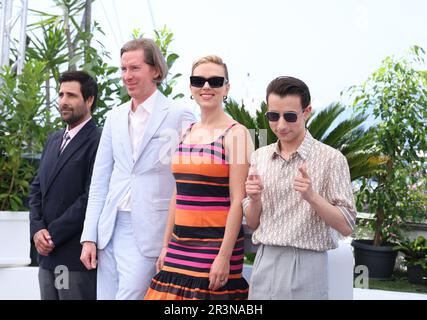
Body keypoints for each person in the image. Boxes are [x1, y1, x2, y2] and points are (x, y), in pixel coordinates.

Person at [79, 38, 196, 300]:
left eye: (134, 68)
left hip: (150, 230)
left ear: (155, 70)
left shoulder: (180, 114)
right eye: (123, 69)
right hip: (109, 229)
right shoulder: (114, 116)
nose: (127, 76)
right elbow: (100, 180)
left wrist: (174, 239)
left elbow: (187, 179)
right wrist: (90, 237)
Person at [144, 55, 251, 300]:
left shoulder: (236, 134)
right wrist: (165, 245)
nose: (206, 86)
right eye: (198, 80)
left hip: (214, 250)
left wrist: (223, 257)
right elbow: (177, 194)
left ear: (226, 88)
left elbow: (238, 201)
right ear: (191, 87)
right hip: (178, 248)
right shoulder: (187, 131)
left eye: (214, 81)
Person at [243, 76, 357, 300]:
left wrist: (312, 196)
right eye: (273, 116)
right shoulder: (260, 157)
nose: (281, 125)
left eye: (290, 116)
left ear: (307, 112)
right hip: (264, 259)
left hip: (307, 263)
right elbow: (253, 222)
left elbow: (347, 225)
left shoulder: (331, 159)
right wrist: (254, 200)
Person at [29, 71, 101, 300]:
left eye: (71, 95)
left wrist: (52, 234)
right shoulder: (53, 139)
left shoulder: (99, 140)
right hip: (47, 256)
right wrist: (37, 229)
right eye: (61, 94)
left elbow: (91, 196)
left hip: (75, 256)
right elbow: (37, 188)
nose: (63, 101)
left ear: (89, 100)